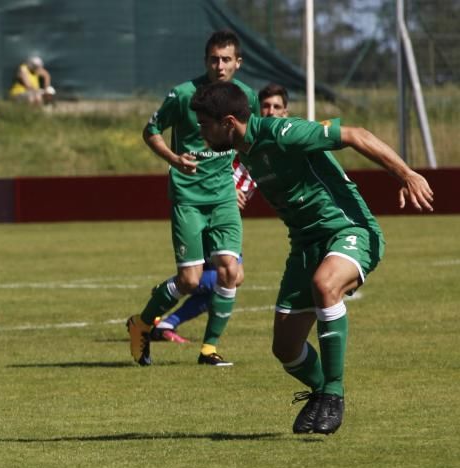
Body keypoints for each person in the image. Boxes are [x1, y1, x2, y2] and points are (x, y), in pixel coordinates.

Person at [189, 80, 433, 434]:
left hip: (349, 231)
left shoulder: (283, 131)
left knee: (325, 285)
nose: (200, 132)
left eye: (205, 124)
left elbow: (356, 134)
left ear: (228, 122)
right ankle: (321, 391)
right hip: (305, 246)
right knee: (285, 348)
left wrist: (407, 174)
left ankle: (334, 393)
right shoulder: (242, 151)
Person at [126, 30, 261, 367]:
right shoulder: (184, 94)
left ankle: (208, 349)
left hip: (224, 198)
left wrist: (244, 183)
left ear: (238, 63)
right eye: (214, 59)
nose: (220, 65)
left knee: (232, 271)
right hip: (188, 198)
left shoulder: (247, 97)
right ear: (205, 61)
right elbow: (150, 130)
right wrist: (173, 159)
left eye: (226, 59)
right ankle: (141, 324)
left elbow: (250, 143)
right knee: (190, 280)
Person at [152, 83, 290, 339]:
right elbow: (222, 158)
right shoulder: (240, 133)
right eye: (266, 106)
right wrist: (231, 187)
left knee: (229, 275)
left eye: (276, 107)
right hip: (213, 205)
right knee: (219, 276)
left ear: (286, 112)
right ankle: (167, 299)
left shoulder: (278, 137)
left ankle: (168, 320)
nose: (270, 111)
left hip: (225, 209)